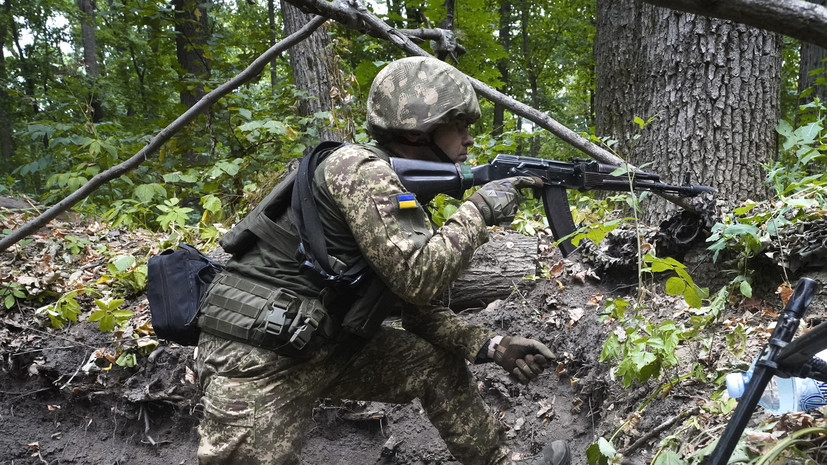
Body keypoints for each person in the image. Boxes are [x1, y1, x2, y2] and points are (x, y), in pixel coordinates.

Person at [194, 56, 571, 465]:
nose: (469, 140)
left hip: (317, 341)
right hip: (253, 358)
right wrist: (478, 211)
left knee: (433, 364)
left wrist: (491, 346)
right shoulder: (358, 168)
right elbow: (417, 278)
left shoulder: (396, 191)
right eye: (458, 126)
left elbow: (421, 314)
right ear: (418, 130)